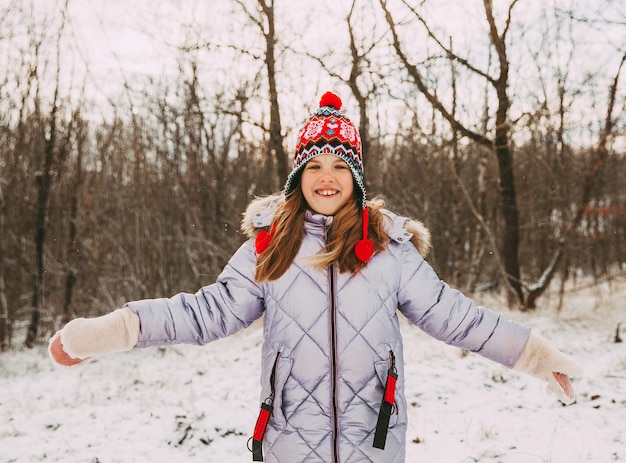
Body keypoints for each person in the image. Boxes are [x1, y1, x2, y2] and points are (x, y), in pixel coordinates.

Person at [49, 92, 582, 463]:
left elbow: (455, 316)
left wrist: (535, 355)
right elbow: (205, 312)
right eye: (314, 166)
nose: (326, 177)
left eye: (338, 166)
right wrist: (115, 331)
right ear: (298, 177)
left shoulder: (389, 250)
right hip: (288, 440)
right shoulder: (270, 247)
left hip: (374, 442)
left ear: (355, 177)